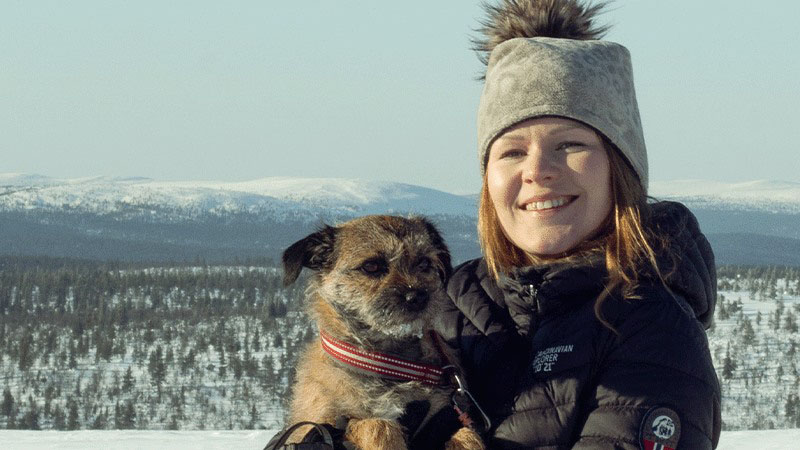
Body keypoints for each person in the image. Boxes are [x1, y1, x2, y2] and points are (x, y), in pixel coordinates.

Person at [436, 0, 722, 448]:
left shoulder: (650, 325)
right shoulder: (451, 305)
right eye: (511, 151)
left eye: (569, 144)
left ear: (619, 169)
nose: (537, 171)